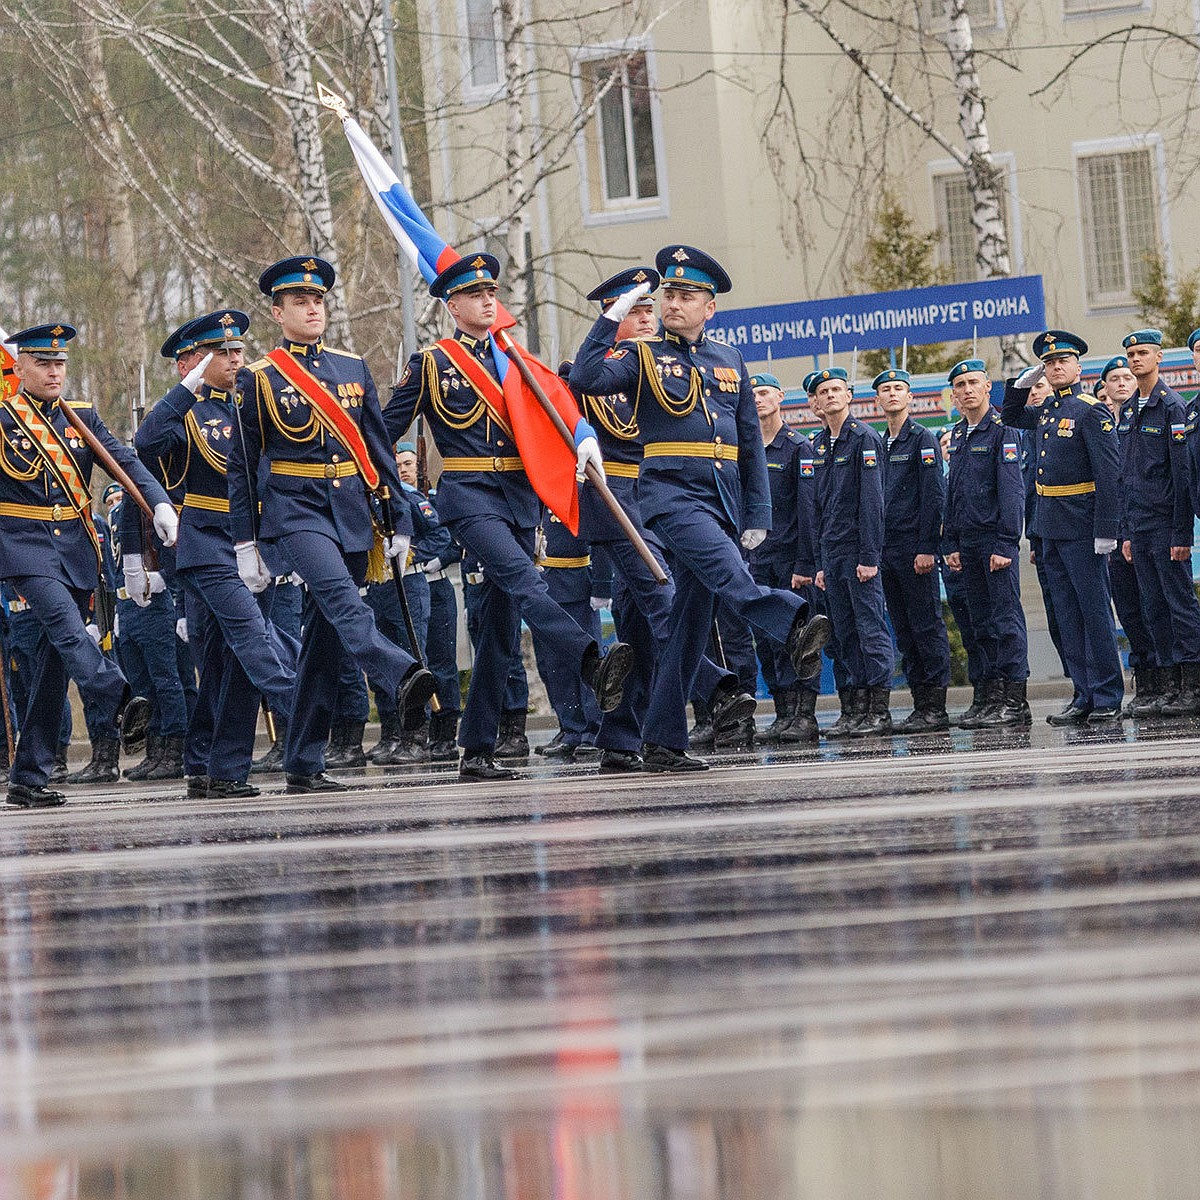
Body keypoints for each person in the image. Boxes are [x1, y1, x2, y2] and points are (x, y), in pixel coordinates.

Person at [569, 244, 829, 771]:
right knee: (729, 576)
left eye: (686, 295)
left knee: (687, 628)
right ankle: (793, 620)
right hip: (670, 496)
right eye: (669, 294)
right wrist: (612, 318)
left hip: (723, 500)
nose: (673, 303)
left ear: (709, 307)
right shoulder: (642, 355)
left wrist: (757, 514)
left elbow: (749, 442)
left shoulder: (728, 359)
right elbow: (586, 379)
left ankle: (663, 740)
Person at [386, 252, 633, 781]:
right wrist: (384, 500)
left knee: (498, 629)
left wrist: (582, 440)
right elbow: (384, 433)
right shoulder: (432, 363)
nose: (487, 300)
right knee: (525, 583)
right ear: (453, 306)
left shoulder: (516, 360)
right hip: (470, 494)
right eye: (475, 294)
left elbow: (556, 414)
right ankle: (591, 658)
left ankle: (476, 750)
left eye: (491, 292)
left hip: (519, 498)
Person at [228, 256, 434, 793]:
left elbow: (378, 448)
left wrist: (398, 515)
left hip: (350, 511)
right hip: (294, 511)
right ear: (278, 312)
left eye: (317, 300)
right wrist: (246, 539)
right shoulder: (258, 377)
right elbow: (245, 465)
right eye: (300, 301)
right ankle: (400, 672)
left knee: (324, 643)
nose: (312, 308)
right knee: (343, 601)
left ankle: (302, 759)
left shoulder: (351, 367)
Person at [567, 267, 753, 773]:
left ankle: (623, 737)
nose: (650, 317)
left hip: (662, 497)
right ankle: (714, 687)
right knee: (663, 597)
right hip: (616, 502)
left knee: (639, 625)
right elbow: (573, 401)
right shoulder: (598, 369)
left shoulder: (671, 364)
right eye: (638, 311)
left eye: (653, 309)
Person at [0, 323, 178, 808]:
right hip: (22, 546)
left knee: (52, 668)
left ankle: (28, 776)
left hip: (77, 551)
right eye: (43, 363)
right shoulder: (3, 419)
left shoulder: (79, 417)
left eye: (60, 363)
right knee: (65, 628)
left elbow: (126, 461)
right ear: (20, 367)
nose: (54, 371)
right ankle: (119, 698)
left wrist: (157, 502)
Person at [135, 309, 299, 799]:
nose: (233, 360)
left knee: (228, 659)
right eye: (221, 353)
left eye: (237, 351)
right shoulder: (186, 410)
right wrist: (185, 388)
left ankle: (219, 766)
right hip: (206, 542)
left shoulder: (253, 404)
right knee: (252, 637)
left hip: (257, 542)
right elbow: (145, 447)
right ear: (196, 362)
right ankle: (302, 705)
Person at [1002, 331, 1122, 724]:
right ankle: (1082, 693)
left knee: (1093, 613)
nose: (1055, 367)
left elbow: (1108, 474)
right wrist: (1020, 385)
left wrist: (1107, 529)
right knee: (1067, 617)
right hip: (1051, 527)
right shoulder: (1048, 411)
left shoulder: (1090, 411)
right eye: (1049, 363)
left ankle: (1106, 694)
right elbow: (1012, 416)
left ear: (1077, 367)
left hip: (1083, 527)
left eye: (1062, 361)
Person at [802, 367, 892, 737]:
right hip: (833, 554)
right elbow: (819, 507)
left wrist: (869, 557)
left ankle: (878, 710)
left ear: (849, 396)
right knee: (842, 634)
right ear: (817, 402)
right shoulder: (820, 444)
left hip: (858, 553)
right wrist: (821, 563)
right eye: (824, 391)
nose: (831, 396)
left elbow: (873, 503)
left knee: (870, 630)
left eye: (837, 389)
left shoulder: (864, 439)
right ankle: (853, 708)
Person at [1117, 329, 1200, 716]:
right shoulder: (1130, 408)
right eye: (1131, 353)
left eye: (1143, 353)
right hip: (1140, 527)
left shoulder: (1172, 407)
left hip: (1167, 525)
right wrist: (1128, 532)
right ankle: (1168, 684)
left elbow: (1182, 476)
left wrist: (1182, 531)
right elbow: (1126, 474)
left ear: (1159, 358)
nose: (1136, 359)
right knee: (1153, 608)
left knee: (1179, 605)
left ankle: (1192, 685)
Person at [943, 358, 1030, 727]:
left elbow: (1012, 491)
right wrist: (950, 543)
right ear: (953, 394)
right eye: (960, 385)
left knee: (1005, 622)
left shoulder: (1002, 430)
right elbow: (954, 492)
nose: (966, 390)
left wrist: (1006, 543)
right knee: (980, 624)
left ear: (987, 388)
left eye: (973, 383)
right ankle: (990, 697)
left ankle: (1015, 700)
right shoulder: (960, 434)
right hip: (968, 543)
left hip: (995, 541)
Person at [875, 368, 951, 732]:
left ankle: (934, 704)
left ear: (910, 398)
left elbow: (934, 496)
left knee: (926, 626)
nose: (892, 394)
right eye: (886, 390)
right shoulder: (878, 442)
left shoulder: (921, 439)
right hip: (886, 549)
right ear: (877, 400)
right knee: (903, 629)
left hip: (913, 549)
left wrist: (927, 547)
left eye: (898, 389)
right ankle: (920, 700)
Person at [748, 371, 819, 744]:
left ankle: (804, 714)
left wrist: (805, 564)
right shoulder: (748, 449)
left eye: (764, 393)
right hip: (756, 560)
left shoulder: (797, 447)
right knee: (768, 638)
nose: (758, 399)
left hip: (790, 560)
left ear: (780, 398)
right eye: (753, 394)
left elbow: (808, 511)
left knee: (798, 638)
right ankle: (781, 711)